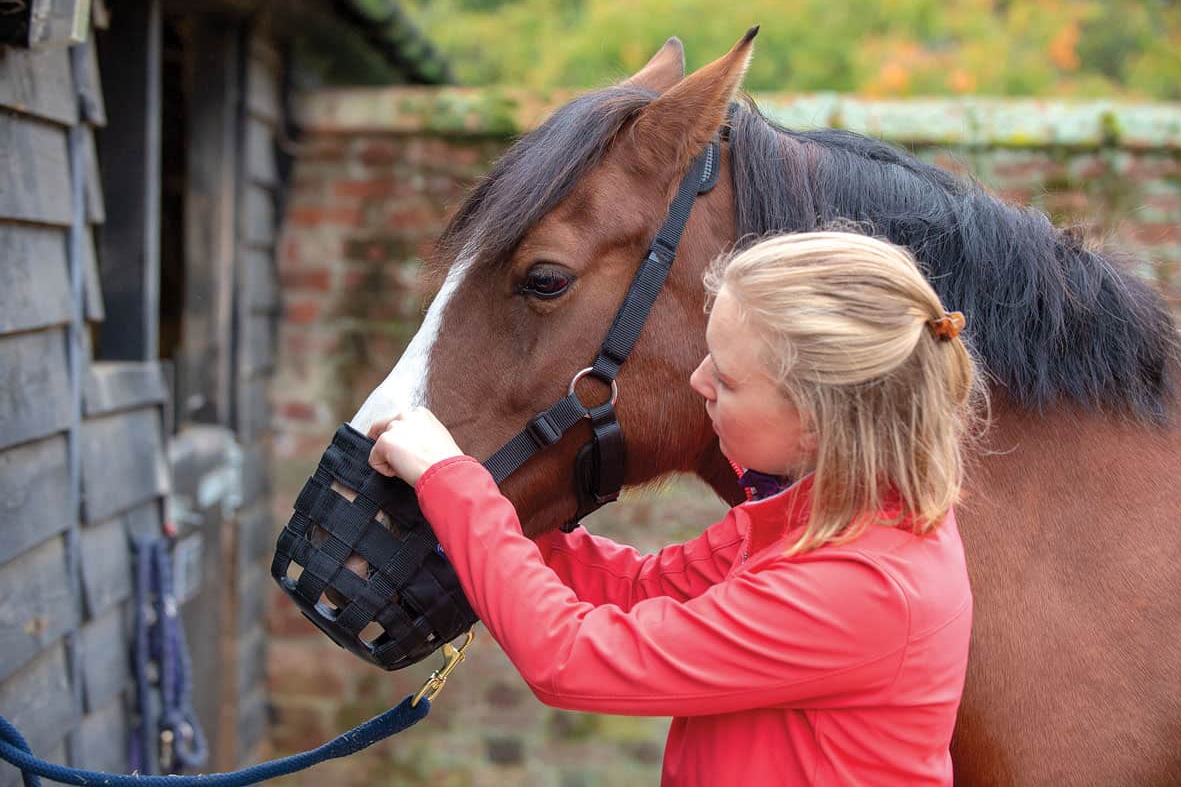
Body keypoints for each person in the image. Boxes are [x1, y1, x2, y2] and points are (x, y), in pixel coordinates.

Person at [367, 230, 981, 786]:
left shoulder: (861, 586)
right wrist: (494, 508)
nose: (699, 381)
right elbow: (640, 588)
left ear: (818, 423)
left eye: (730, 380)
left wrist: (454, 485)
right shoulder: (824, 514)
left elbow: (571, 658)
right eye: (709, 353)